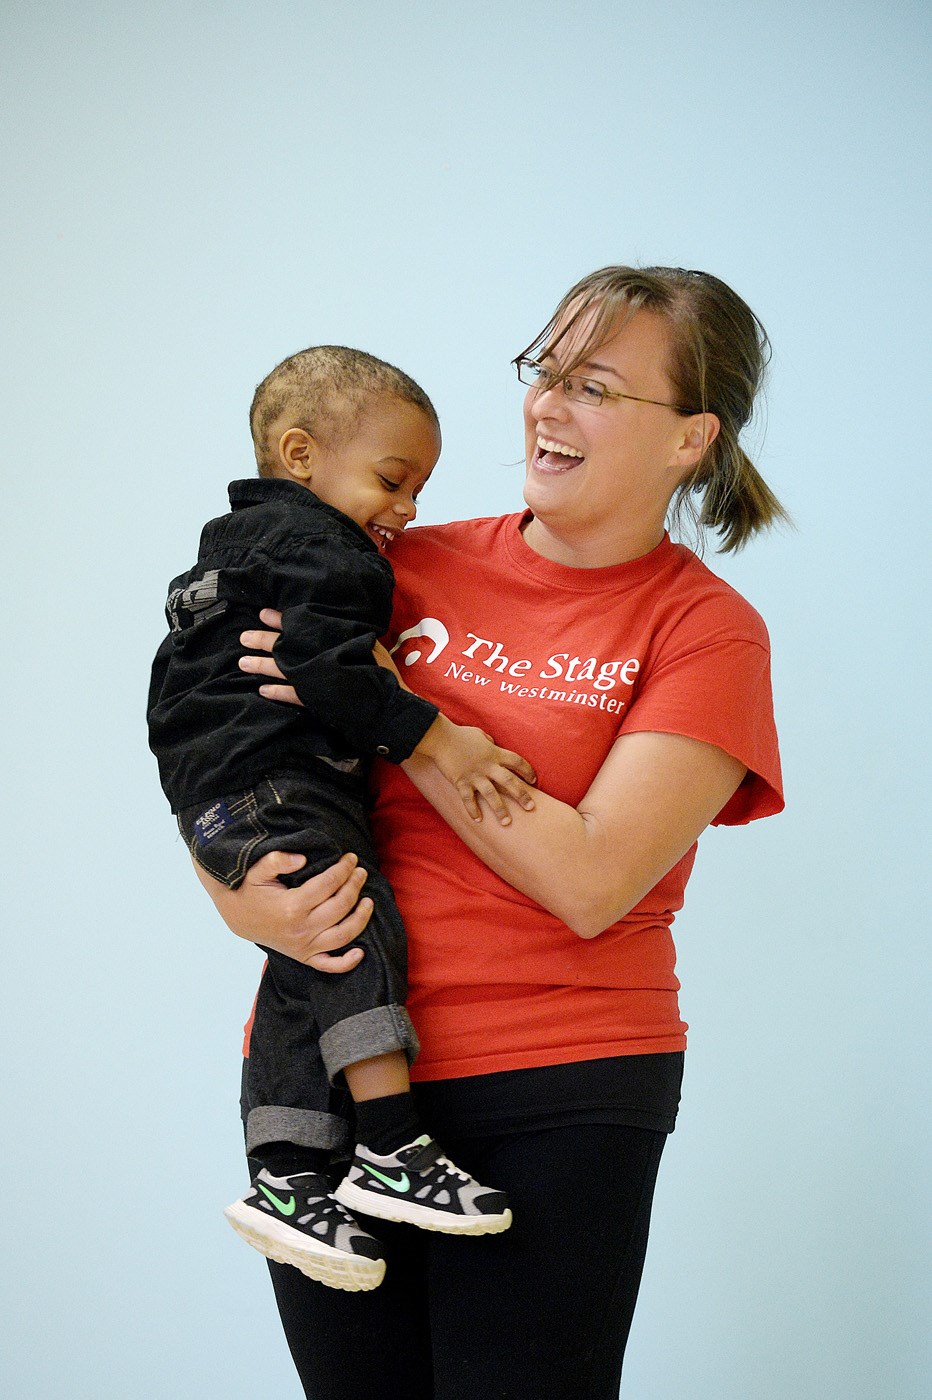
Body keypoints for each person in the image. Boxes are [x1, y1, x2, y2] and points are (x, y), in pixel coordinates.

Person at [196, 266, 787, 1400]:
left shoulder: (706, 631)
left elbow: (591, 878)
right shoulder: (384, 563)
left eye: (596, 387)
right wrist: (230, 889)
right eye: (544, 371)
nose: (548, 407)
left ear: (688, 439)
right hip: (332, 1065)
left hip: (559, 1084)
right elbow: (230, 732)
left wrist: (412, 723)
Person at [148, 346, 536, 1293]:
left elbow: (170, 697)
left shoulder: (226, 554)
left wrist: (207, 828)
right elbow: (333, 672)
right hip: (282, 780)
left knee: (306, 960)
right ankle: (392, 1148)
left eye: (418, 489)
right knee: (356, 929)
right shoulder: (326, 551)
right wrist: (447, 742)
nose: (404, 511)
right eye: (393, 481)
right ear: (300, 454)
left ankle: (285, 1175)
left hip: (218, 795)